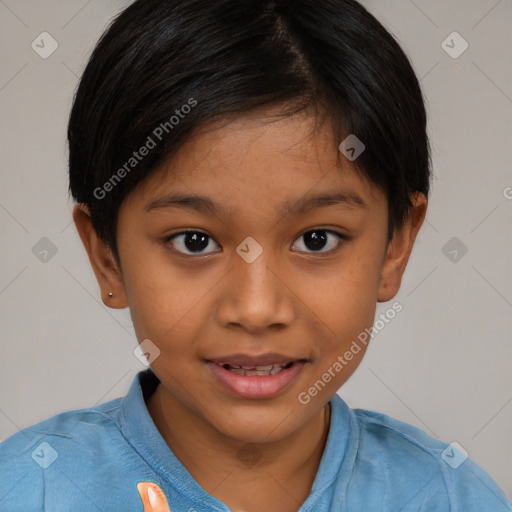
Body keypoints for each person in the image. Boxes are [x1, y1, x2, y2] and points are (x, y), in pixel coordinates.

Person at [1, 0, 510, 510]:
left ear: (394, 247)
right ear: (106, 256)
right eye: (194, 241)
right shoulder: (30, 490)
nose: (257, 308)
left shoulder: (450, 497)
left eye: (317, 239)